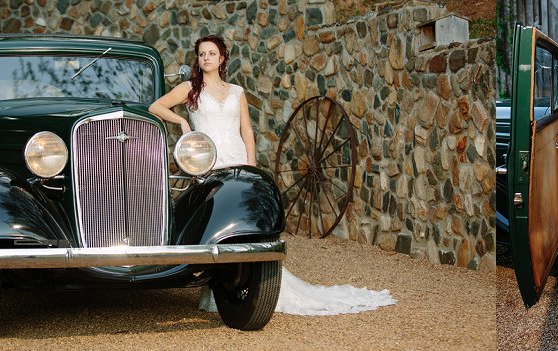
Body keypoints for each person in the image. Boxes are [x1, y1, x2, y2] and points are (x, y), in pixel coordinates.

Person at [150, 34, 395, 316]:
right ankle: (219, 289)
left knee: (242, 223)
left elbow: (248, 132)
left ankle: (249, 286)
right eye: (202, 54)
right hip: (208, 161)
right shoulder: (189, 89)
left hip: (236, 157)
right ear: (199, 59)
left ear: (221, 58)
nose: (206, 58)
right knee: (215, 224)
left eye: (212, 53)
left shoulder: (236, 92)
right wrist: (182, 122)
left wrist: (251, 169)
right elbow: (156, 107)